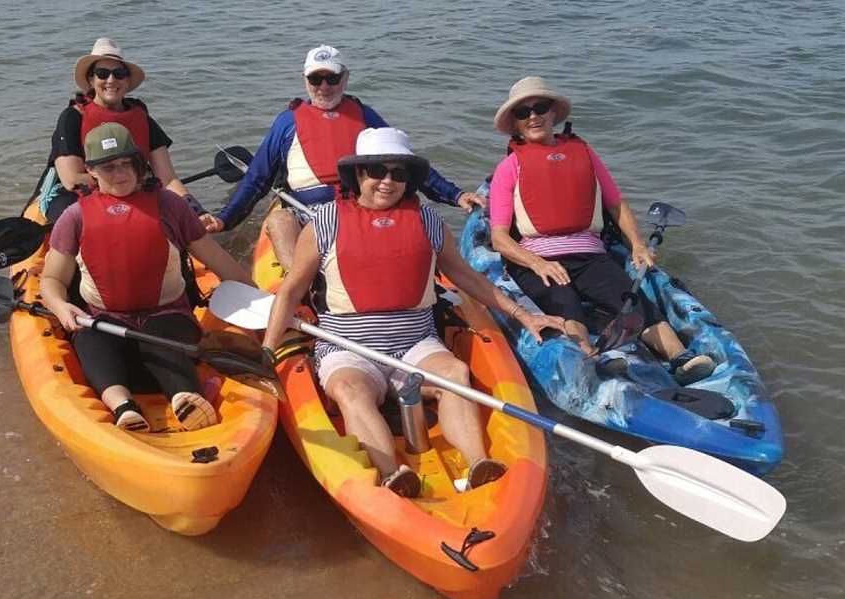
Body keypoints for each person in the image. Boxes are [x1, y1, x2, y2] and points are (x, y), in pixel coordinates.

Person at [261, 128, 565, 497]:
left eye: (399, 173)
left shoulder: (428, 221)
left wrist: (523, 314)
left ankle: (477, 463)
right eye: (377, 171)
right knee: (349, 391)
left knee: (455, 373)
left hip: (416, 344)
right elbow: (292, 289)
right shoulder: (326, 221)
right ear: (359, 175)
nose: (387, 181)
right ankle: (393, 473)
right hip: (348, 348)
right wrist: (267, 350)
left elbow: (466, 277)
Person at [488, 76, 715, 385]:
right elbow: (499, 238)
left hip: (591, 255)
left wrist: (636, 244)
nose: (533, 117)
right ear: (514, 123)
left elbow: (616, 204)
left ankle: (680, 357)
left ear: (553, 113)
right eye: (522, 113)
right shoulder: (509, 168)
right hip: (537, 259)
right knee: (565, 304)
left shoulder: (584, 153)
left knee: (629, 301)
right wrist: (537, 263)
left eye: (540, 107)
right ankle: (592, 359)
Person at [40, 123, 254, 432]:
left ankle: (185, 398)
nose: (120, 173)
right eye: (109, 167)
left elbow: (223, 266)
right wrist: (61, 307)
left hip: (167, 315)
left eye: (128, 163)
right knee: (91, 343)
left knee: (163, 339)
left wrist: (269, 308)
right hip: (103, 319)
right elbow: (51, 281)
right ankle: (123, 407)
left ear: (140, 165)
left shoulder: (170, 206)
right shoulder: (75, 216)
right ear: (91, 171)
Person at [205, 44, 487, 271]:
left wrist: (456, 194)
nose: (324, 86)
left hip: (362, 207)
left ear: (345, 78)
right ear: (305, 80)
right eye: (316, 79)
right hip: (306, 214)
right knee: (278, 222)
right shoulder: (286, 123)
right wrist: (224, 219)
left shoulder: (365, 117)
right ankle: (301, 291)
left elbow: (406, 164)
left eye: (332, 78)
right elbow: (256, 180)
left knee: (413, 220)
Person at [42, 38, 211, 224]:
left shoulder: (142, 118)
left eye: (119, 73)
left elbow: (168, 179)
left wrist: (195, 210)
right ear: (91, 79)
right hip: (76, 194)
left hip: (131, 188)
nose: (111, 80)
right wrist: (127, 185)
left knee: (174, 221)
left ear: (127, 80)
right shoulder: (72, 117)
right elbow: (71, 179)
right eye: (102, 73)